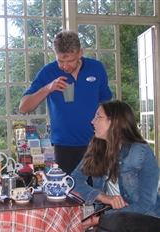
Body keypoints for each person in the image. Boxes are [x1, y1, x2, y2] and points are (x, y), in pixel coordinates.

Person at [19, 30, 112, 175]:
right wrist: (48, 88)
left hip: (96, 142)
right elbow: (24, 107)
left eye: (70, 61)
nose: (65, 66)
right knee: (69, 194)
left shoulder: (96, 68)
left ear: (80, 53)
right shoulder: (48, 72)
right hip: (64, 146)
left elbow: (107, 104)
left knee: (96, 192)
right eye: (61, 61)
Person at [70, 100, 160, 232]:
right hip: (114, 223)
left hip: (149, 218)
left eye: (98, 117)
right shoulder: (97, 150)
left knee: (112, 223)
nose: (92, 122)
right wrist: (103, 197)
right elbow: (73, 181)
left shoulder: (142, 152)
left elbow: (146, 205)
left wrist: (100, 219)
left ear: (115, 122)